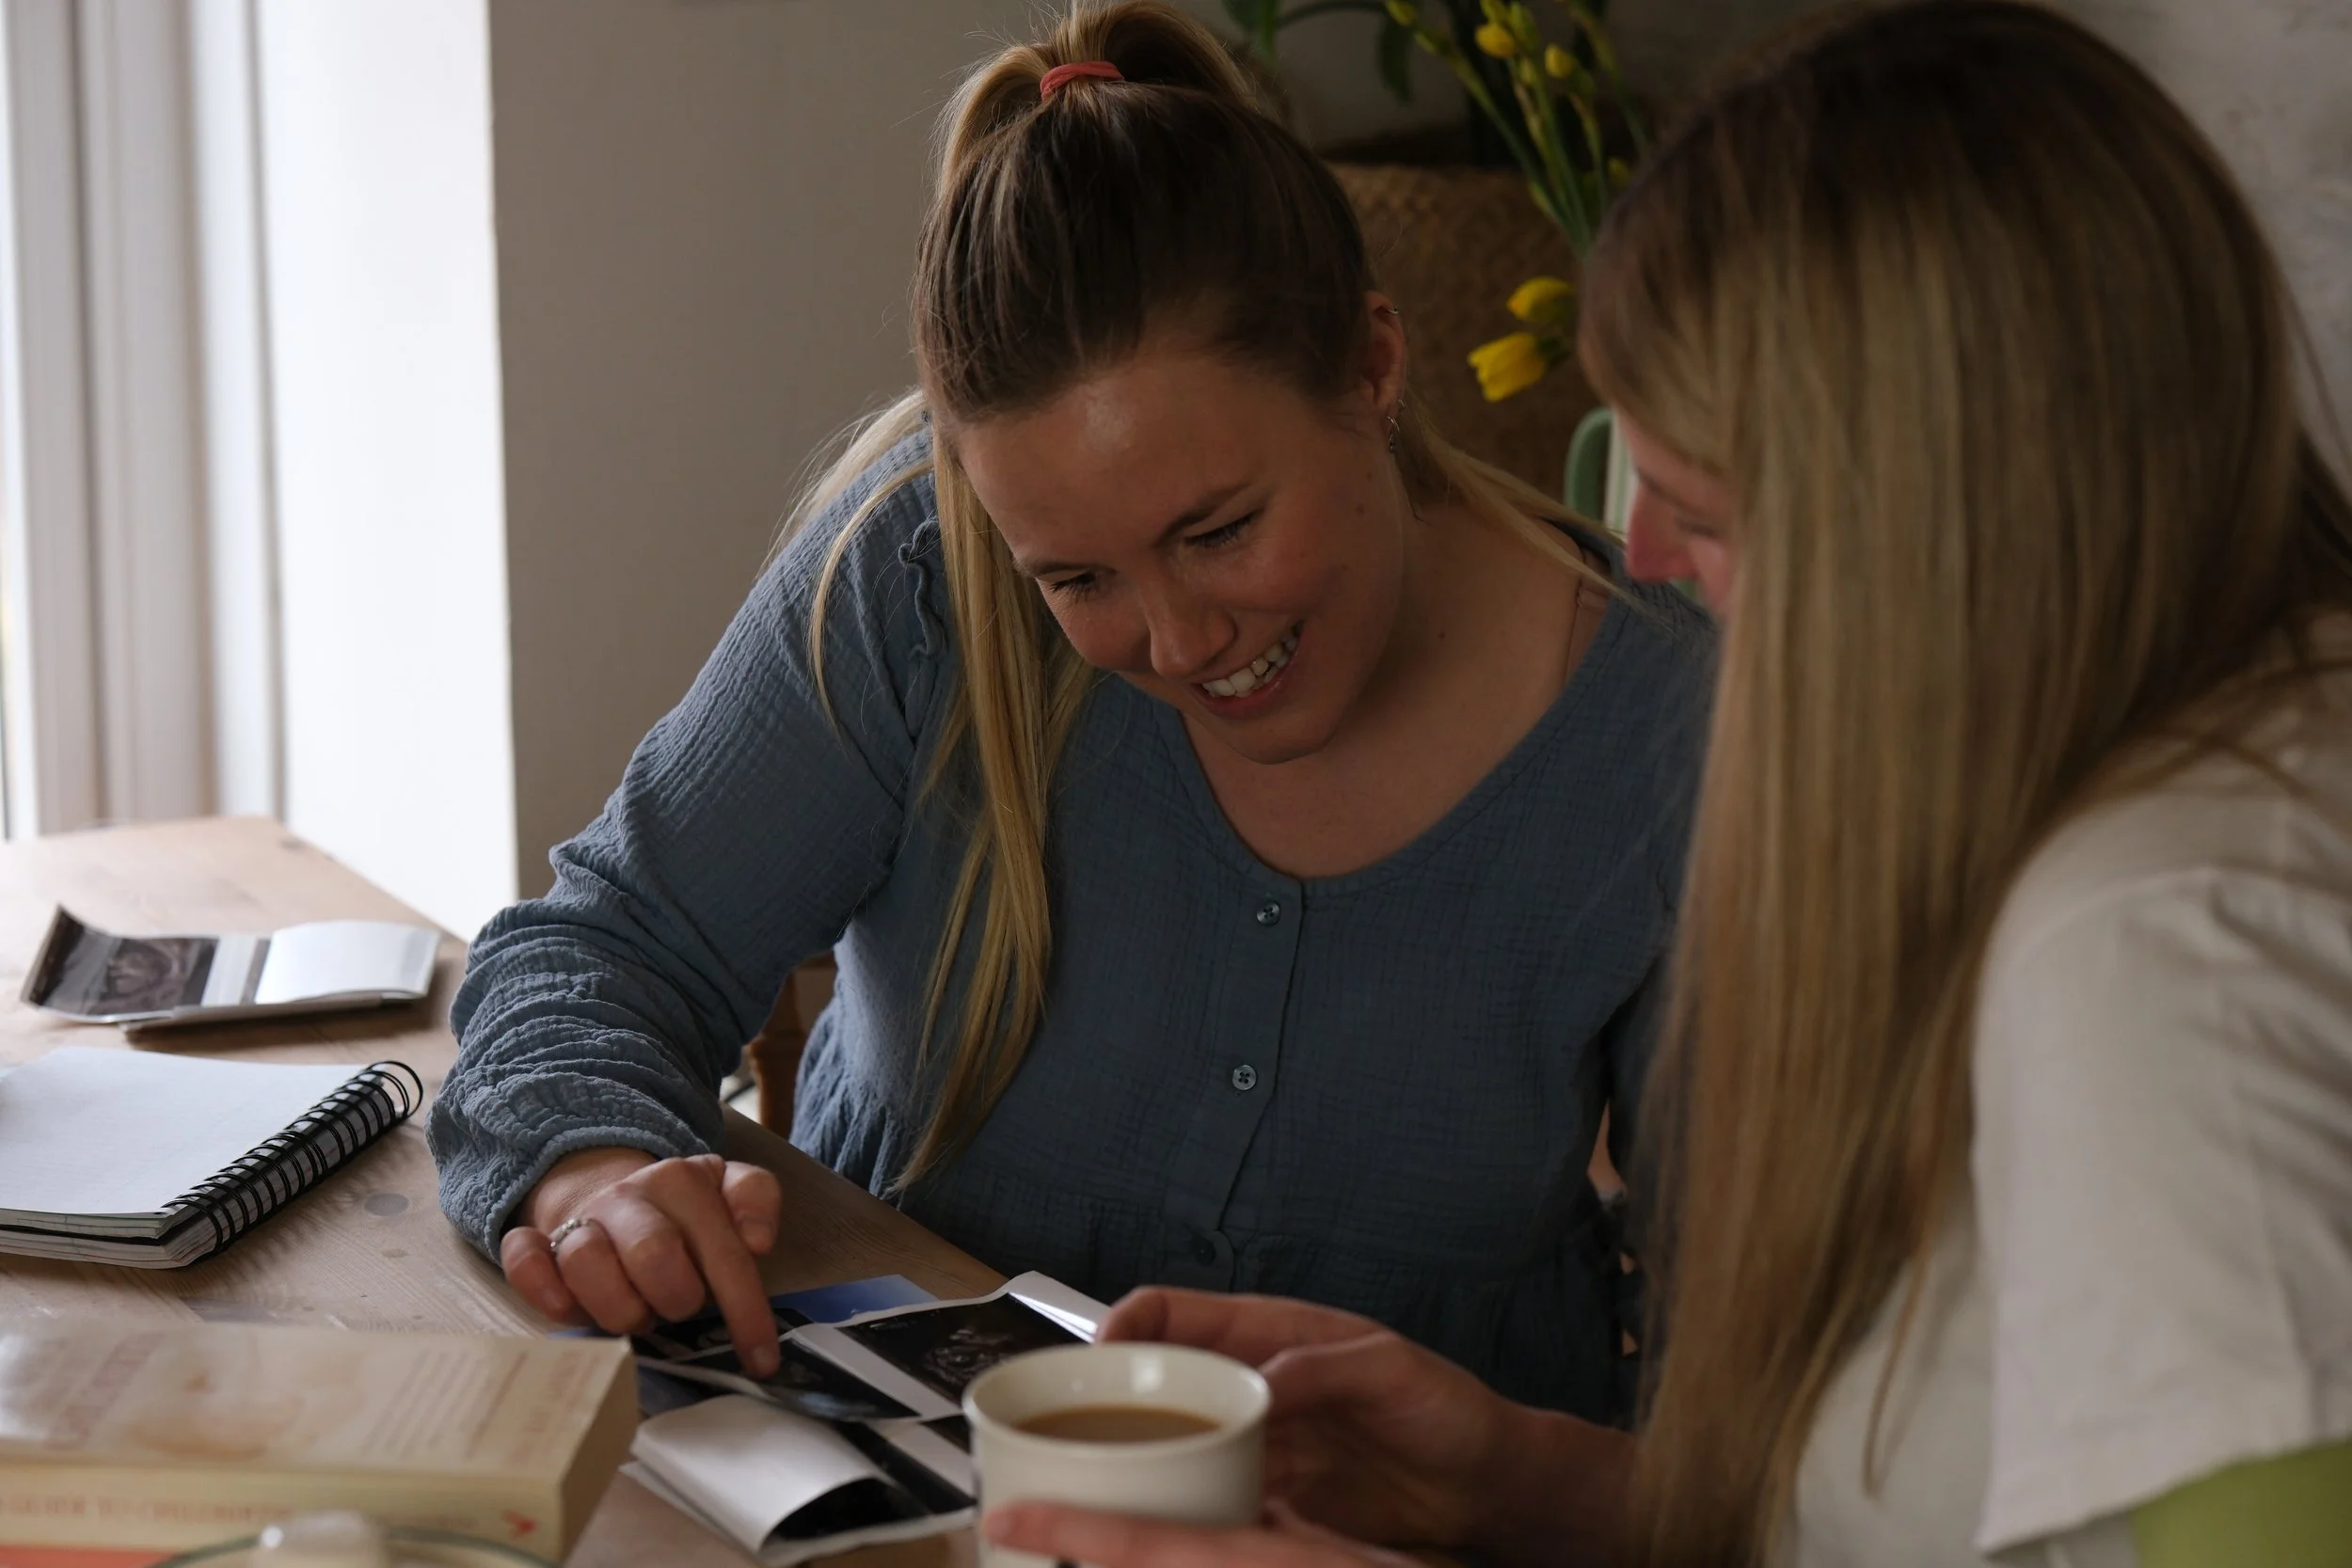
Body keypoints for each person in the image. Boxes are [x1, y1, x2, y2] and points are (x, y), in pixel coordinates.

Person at [981, 3, 2352, 1564]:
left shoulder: (2161, 950)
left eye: (1700, 508)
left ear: (1921, 526)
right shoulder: (2222, 755)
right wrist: (1527, 1475)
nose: (1639, 556)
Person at [424, 0, 1713, 1422]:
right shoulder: (920, 570)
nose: (1174, 639)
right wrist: (594, 1170)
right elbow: (601, 952)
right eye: (1077, 576)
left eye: (1219, 529)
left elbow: (1762, 1343)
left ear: (1374, 366)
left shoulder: (1672, 726)